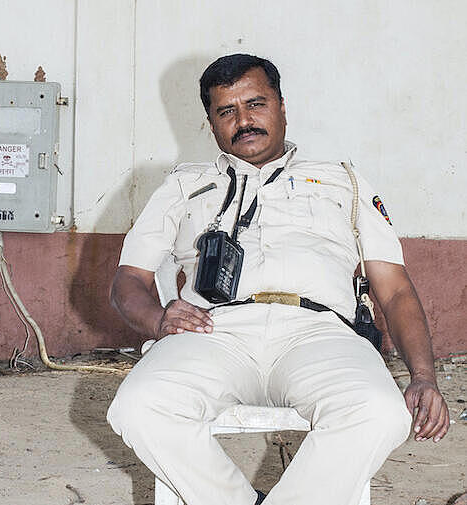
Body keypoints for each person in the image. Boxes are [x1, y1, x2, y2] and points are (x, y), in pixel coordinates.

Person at [106, 54, 448, 505]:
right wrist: (157, 320)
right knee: (137, 407)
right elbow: (128, 280)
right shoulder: (183, 185)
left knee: (381, 412)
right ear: (210, 123)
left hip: (320, 332)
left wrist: (424, 376)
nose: (243, 121)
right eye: (226, 111)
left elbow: (396, 288)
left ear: (282, 106)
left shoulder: (343, 182)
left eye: (256, 104)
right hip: (213, 331)